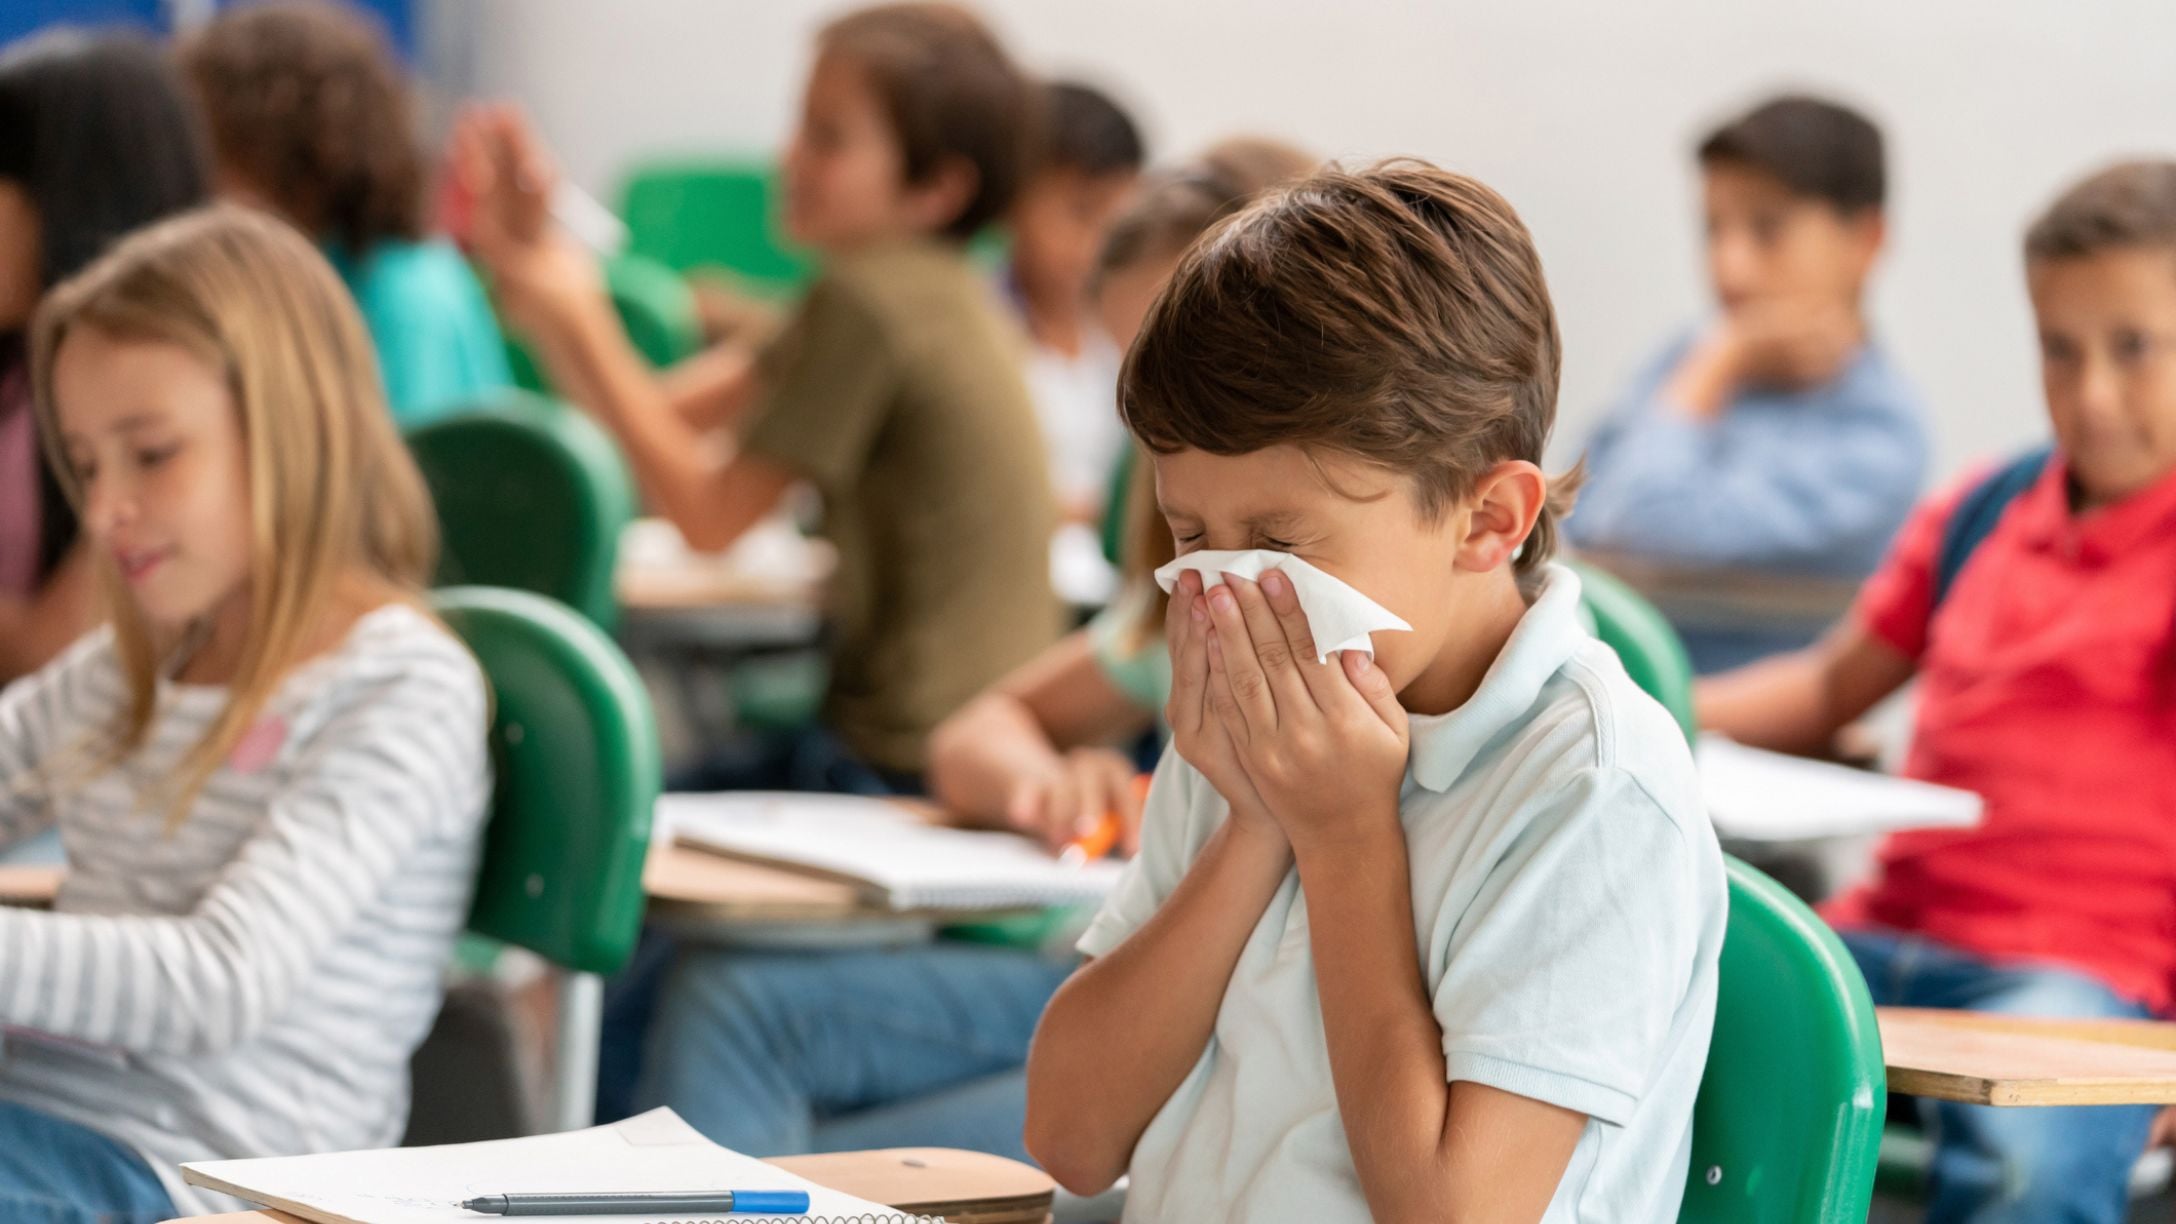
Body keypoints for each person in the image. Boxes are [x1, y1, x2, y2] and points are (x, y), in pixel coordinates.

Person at [596, 138, 1319, 1164]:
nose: (1158, 421)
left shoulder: (1307, 604)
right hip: (1090, 965)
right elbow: (980, 731)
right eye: (1137, 374)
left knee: (743, 1028)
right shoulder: (1190, 595)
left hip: (1196, 1021)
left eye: (1189, 369)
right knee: (722, 1009)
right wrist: (1046, 786)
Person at [1026, 162, 1725, 1221]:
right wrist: (1256, 825)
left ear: (1488, 520)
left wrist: (1345, 838)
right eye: (1189, 536)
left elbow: (1453, 1213)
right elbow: (1071, 1137)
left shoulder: (1593, 783)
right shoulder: (1260, 714)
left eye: (1278, 541)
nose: (1226, 590)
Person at [1699, 159, 2176, 1224]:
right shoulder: (1982, 510)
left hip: (2074, 981)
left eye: (2133, 348)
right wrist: (1648, 708)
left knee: (2027, 1172)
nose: (2089, 392)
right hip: (1883, 934)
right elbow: (1827, 682)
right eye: (2059, 348)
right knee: (1657, 1017)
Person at [0, 205, 490, 1222]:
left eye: (152, 454)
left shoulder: (403, 692)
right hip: (38, 1127)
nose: (103, 513)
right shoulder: (131, 671)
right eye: (86, 466)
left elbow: (221, 980)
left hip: (196, 1175)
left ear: (291, 430)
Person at [455, 2, 1063, 792]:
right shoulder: (909, 290)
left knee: (593, 808)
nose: (790, 157)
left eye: (828, 138)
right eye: (801, 126)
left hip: (904, 766)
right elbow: (655, 421)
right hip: (947, 746)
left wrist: (581, 315)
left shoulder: (871, 306)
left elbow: (707, 517)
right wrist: (547, 287)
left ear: (938, 189)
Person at [1570, 93, 1927, 671]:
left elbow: (1629, 525)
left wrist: (1720, 360)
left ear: (1865, 242)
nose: (1728, 266)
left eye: (1767, 229)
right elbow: (1557, 514)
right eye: (1713, 229)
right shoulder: (1687, 357)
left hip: (1734, 742)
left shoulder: (1878, 438)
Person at [178, 0, 511, 426]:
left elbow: (402, 484)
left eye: (222, 156)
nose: (203, 185)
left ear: (301, 157)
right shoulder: (293, 278)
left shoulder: (407, 300)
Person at [0, 28, 209, 684]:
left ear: (69, 200)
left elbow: (55, 655)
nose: (105, 507)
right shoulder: (18, 369)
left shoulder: (168, 390)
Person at [1005, 79, 1144, 523]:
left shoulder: (1123, 330)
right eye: (1081, 210)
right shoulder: (980, 322)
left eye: (1117, 222)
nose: (1096, 244)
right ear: (1014, 196)